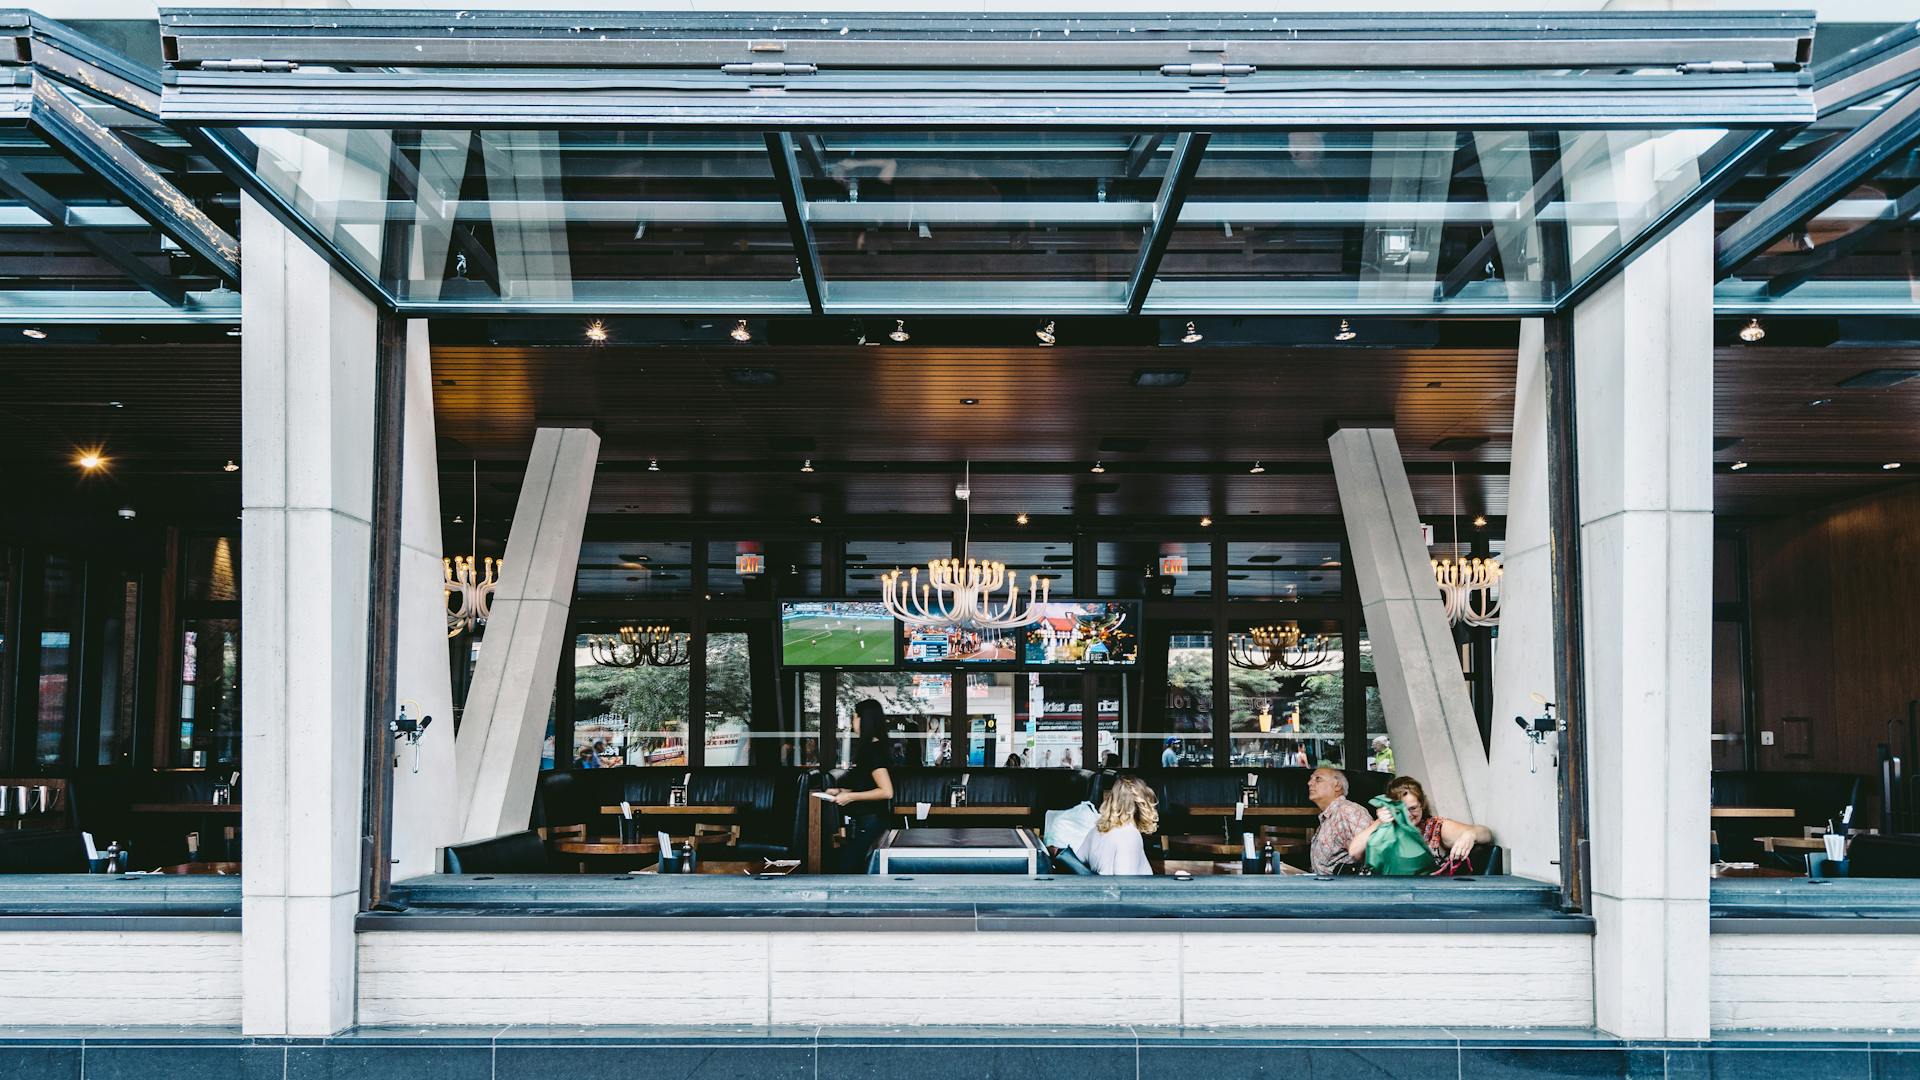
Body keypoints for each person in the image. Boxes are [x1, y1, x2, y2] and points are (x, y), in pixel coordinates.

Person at [1347, 776, 1493, 871]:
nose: (1408, 815)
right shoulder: (1385, 829)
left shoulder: (1436, 827)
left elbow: (1486, 833)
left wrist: (1470, 834)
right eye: (1401, 810)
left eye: (1413, 808)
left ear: (1422, 804)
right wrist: (1380, 822)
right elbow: (1354, 852)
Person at [823, 699, 895, 872]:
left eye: (854, 717)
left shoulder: (872, 751)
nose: (852, 722)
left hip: (870, 821)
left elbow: (886, 791)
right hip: (868, 820)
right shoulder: (872, 748)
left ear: (865, 719)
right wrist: (841, 791)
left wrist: (850, 796)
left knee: (849, 868)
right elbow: (866, 784)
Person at [1072, 775, 1156, 875]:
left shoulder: (1095, 831)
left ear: (1111, 799)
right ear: (1142, 804)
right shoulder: (1130, 834)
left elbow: (1075, 863)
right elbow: (1126, 884)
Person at [1306, 766, 1374, 875]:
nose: (1310, 783)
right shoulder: (1329, 815)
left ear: (1337, 786)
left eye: (1318, 779)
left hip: (1347, 889)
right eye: (1311, 779)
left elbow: (1371, 853)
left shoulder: (1348, 811)